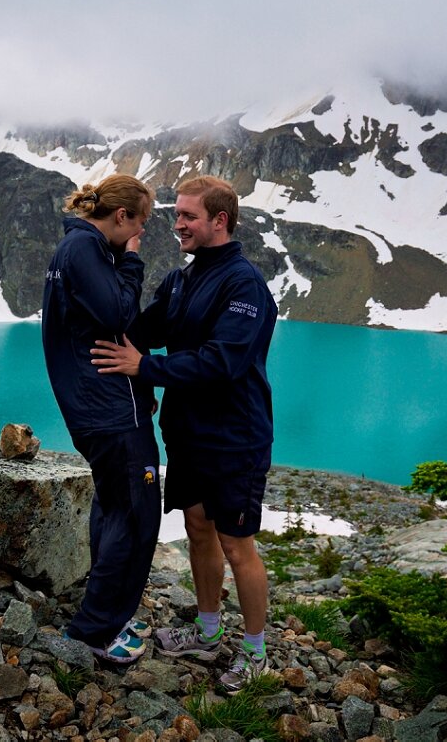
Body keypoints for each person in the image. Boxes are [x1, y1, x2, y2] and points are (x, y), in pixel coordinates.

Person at [90, 175, 278, 691]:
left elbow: (223, 362)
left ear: (219, 220)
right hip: (190, 435)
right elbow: (143, 329)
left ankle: (257, 652)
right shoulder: (182, 280)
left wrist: (144, 370)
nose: (177, 226)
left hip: (235, 438)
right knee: (198, 528)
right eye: (175, 216)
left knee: (237, 544)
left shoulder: (244, 285)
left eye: (188, 217)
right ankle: (208, 631)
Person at [42, 173, 160, 665]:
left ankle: (107, 612)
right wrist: (131, 260)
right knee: (136, 515)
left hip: (100, 408)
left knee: (114, 508)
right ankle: (97, 630)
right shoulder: (85, 250)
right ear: (120, 216)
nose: (143, 233)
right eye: (141, 224)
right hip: (111, 412)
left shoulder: (80, 248)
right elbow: (117, 312)